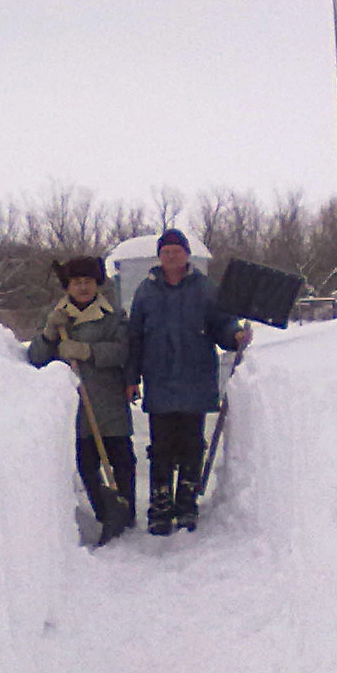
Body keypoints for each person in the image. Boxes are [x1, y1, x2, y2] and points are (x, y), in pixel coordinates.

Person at [125, 229, 250, 536]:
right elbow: (135, 338)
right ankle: (160, 506)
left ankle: (187, 503)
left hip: (195, 379)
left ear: (186, 255)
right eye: (166, 251)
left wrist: (234, 336)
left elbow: (221, 323)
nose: (171, 256)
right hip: (160, 381)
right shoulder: (146, 291)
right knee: (162, 448)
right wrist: (132, 378)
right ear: (159, 256)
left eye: (177, 251)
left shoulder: (205, 289)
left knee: (193, 446)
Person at [27, 256, 136, 544]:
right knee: (87, 466)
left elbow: (123, 351)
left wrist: (88, 351)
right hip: (77, 410)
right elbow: (36, 358)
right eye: (76, 282)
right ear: (68, 286)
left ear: (97, 283)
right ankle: (104, 513)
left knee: (122, 461)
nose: (83, 287)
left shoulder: (114, 316)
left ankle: (126, 513)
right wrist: (50, 333)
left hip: (109, 402)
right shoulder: (57, 317)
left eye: (88, 281)